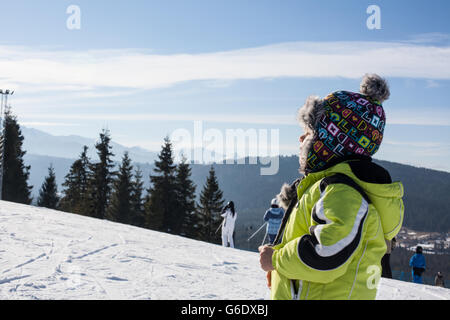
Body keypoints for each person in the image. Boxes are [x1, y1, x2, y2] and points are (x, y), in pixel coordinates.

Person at [258, 74, 405, 300]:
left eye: (309, 132)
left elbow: (325, 255)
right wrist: (282, 272)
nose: (301, 138)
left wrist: (276, 260)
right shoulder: (327, 187)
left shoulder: (342, 192)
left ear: (331, 141)